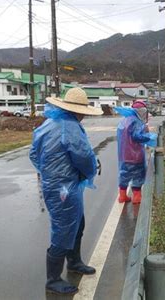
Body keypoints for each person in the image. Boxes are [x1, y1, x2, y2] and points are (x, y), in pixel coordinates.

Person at [29, 87, 103, 295]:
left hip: (56, 186)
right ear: (78, 111)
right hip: (66, 188)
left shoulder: (48, 123)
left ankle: (74, 261)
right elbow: (85, 157)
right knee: (64, 229)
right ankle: (52, 280)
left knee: (77, 223)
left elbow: (34, 154)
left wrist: (48, 173)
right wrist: (87, 174)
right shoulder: (70, 127)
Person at [115, 100, 157, 204]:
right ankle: (137, 198)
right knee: (138, 175)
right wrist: (150, 137)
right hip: (135, 155)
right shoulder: (137, 122)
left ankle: (122, 196)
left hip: (124, 155)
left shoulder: (124, 121)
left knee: (124, 175)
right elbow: (137, 136)